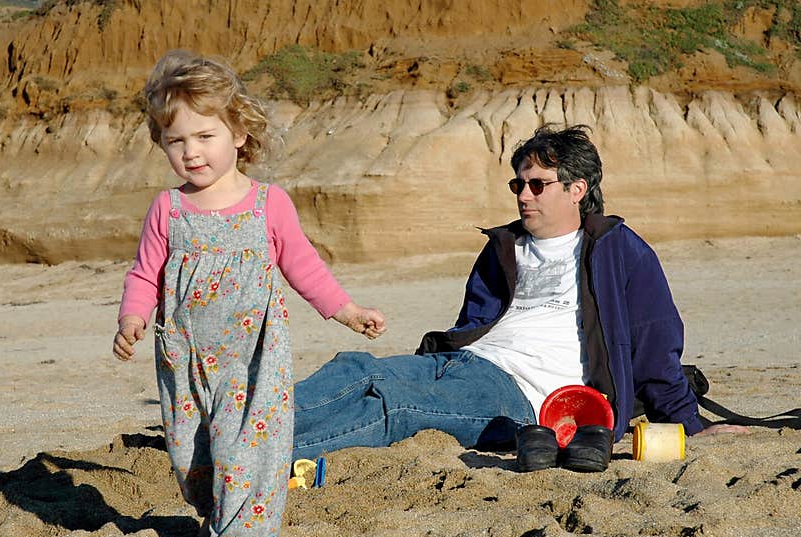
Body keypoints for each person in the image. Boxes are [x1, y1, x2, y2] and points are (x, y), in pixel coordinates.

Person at [291, 124, 745, 466]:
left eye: (537, 184)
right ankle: (240, 432)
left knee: (398, 407)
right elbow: (474, 324)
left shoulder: (619, 249)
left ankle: (249, 457)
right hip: (463, 362)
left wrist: (689, 423)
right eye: (518, 184)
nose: (523, 195)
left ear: (576, 189)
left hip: (523, 394)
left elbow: (654, 342)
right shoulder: (503, 248)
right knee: (357, 369)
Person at [111, 49, 385, 537]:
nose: (191, 152)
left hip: (255, 352)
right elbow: (145, 274)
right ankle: (215, 513)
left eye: (204, 136)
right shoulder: (167, 209)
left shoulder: (268, 202)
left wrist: (345, 310)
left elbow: (302, 263)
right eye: (176, 141)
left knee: (249, 446)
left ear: (238, 132)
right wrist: (132, 319)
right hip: (184, 353)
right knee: (192, 457)